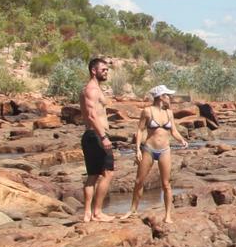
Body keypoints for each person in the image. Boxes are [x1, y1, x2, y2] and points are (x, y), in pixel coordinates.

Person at [122, 84, 188, 223]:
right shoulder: (147, 111)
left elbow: (173, 131)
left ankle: (168, 215)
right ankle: (133, 210)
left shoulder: (168, 112)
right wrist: (138, 149)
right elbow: (140, 130)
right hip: (149, 149)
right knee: (139, 181)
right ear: (160, 97)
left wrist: (182, 140)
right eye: (167, 95)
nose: (169, 97)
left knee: (166, 184)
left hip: (165, 150)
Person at [79, 57, 115, 222]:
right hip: (96, 135)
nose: (106, 72)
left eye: (107, 70)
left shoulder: (90, 89)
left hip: (90, 135)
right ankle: (97, 212)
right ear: (94, 70)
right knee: (107, 173)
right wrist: (103, 137)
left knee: (93, 175)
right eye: (103, 69)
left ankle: (87, 214)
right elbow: (93, 115)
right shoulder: (92, 90)